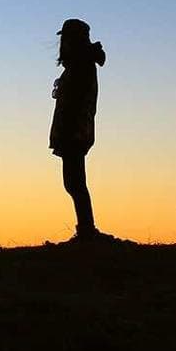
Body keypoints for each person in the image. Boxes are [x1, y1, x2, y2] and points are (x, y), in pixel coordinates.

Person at [50, 18, 107, 240]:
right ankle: (86, 229)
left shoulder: (81, 66)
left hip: (74, 131)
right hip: (74, 131)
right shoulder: (79, 65)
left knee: (75, 183)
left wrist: (70, 131)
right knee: (73, 182)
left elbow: (76, 103)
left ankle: (87, 230)